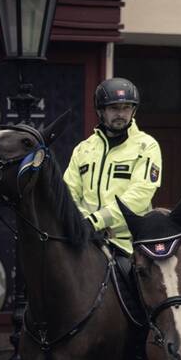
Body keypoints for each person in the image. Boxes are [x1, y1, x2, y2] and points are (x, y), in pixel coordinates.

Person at [64, 77, 162, 256]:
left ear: (133, 111)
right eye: (114, 108)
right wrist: (83, 222)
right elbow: (68, 193)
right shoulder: (83, 149)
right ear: (101, 111)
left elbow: (139, 195)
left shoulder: (147, 146)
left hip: (130, 245)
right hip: (86, 240)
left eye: (126, 108)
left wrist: (96, 221)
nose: (121, 114)